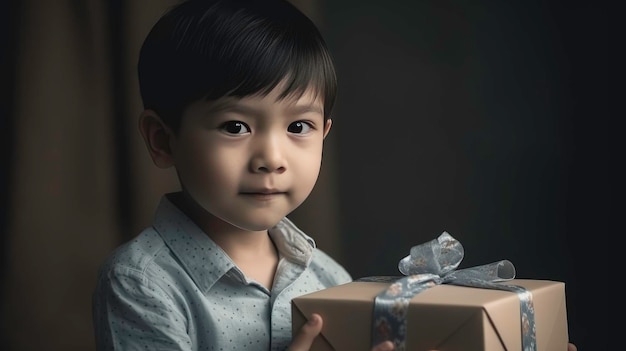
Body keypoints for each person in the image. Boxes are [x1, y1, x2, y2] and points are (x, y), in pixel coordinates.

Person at [91, 1, 577, 350]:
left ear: (324, 133)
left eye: (298, 126)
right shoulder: (142, 282)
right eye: (235, 126)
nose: (271, 157)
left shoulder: (329, 279)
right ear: (162, 140)